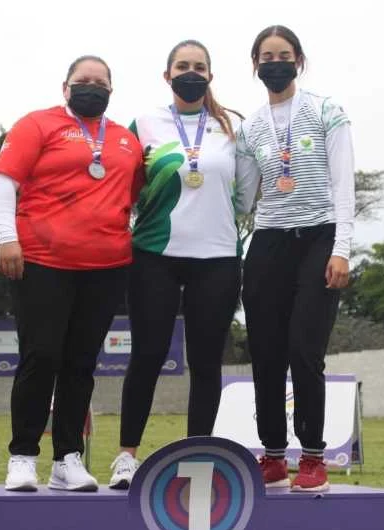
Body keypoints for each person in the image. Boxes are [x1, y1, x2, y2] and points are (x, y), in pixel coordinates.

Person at [0, 55, 144, 492]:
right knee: (41, 357)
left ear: (111, 90)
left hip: (106, 267)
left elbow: (130, 198)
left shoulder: (125, 141)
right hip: (41, 260)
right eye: (83, 81)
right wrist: (7, 237)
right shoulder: (37, 125)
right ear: (65, 87)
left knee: (81, 363)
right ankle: (22, 457)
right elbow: (4, 181)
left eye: (100, 81)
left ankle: (67, 459)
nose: (91, 87)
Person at [107, 39, 252, 489]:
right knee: (147, 357)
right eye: (182, 66)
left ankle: (198, 458)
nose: (191, 73)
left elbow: (246, 195)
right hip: (154, 255)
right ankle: (127, 456)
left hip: (218, 258)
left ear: (211, 75)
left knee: (206, 362)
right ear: (167, 75)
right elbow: (128, 189)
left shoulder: (234, 127)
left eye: (200, 67)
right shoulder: (145, 124)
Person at [235, 25, 355, 492]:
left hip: (319, 238)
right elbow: (243, 200)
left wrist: (341, 248)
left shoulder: (326, 111)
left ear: (299, 61)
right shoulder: (249, 127)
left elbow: (343, 184)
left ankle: (313, 456)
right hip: (267, 242)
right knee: (265, 353)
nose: (274, 62)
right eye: (266, 56)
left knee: (305, 351)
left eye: (283, 54)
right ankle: (271, 454)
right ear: (254, 66)